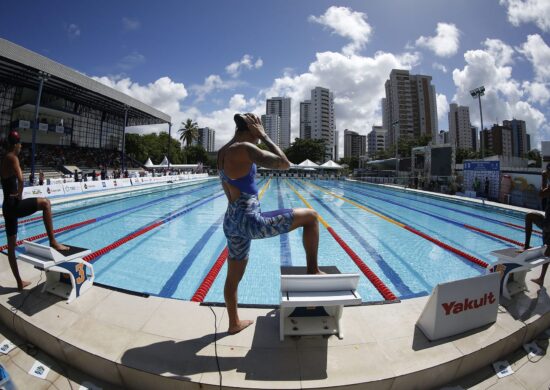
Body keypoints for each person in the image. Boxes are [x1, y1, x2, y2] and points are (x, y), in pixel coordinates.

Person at [218, 113, 322, 334]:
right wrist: (264, 136)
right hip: (251, 221)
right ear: (251, 129)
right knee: (311, 217)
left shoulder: (223, 152)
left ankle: (233, 323)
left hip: (231, 221)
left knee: (232, 277)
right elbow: (285, 164)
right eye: (258, 128)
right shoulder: (246, 148)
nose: (259, 133)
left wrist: (248, 131)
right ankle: (312, 270)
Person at [1, 131, 68, 290]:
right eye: (20, 144)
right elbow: (21, 178)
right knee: (45, 203)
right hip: (13, 204)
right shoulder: (12, 157)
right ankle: (53, 241)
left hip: (6, 207)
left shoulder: (3, 159)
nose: (21, 146)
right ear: (15, 145)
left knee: (11, 246)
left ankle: (19, 282)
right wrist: (19, 193)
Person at [526, 165, 550, 286]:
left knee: (529, 216)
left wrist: (543, 179)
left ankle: (526, 247)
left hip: (548, 224)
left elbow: (541, 194)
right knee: (548, 250)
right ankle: (541, 278)